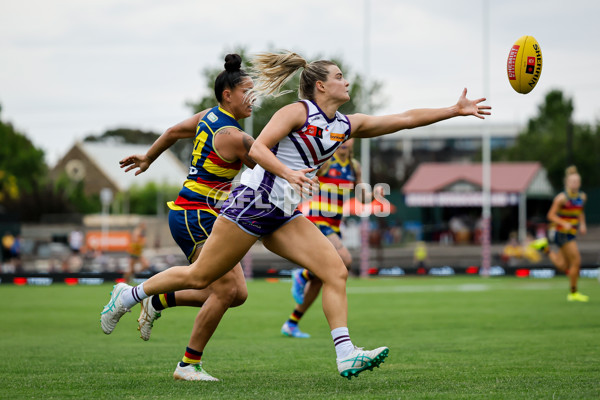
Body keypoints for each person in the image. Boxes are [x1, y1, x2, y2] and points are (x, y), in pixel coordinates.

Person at [101, 50, 490, 379]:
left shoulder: (343, 125)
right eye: (340, 76)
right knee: (202, 277)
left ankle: (345, 353)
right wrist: (287, 172)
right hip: (251, 206)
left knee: (335, 269)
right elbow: (258, 149)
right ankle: (129, 294)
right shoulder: (296, 112)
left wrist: (454, 111)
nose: (346, 81)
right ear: (321, 85)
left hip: (282, 214)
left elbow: (403, 119)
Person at [115, 54, 256, 381]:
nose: (253, 98)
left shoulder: (210, 116)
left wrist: (149, 157)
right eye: (247, 91)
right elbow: (264, 166)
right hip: (197, 214)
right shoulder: (232, 135)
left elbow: (174, 131)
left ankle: (157, 301)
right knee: (222, 290)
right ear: (228, 95)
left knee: (237, 294)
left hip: (198, 213)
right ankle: (185, 360)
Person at [281, 138, 376, 338]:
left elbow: (362, 197)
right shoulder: (327, 161)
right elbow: (308, 175)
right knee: (345, 260)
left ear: (353, 143)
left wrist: (374, 195)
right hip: (318, 220)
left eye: (348, 140)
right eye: (341, 139)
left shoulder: (353, 166)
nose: (344, 143)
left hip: (334, 224)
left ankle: (292, 322)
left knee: (322, 278)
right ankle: (302, 275)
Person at [531, 166, 588, 301]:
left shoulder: (582, 196)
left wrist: (583, 224)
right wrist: (563, 223)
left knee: (562, 266)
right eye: (572, 181)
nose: (575, 184)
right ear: (567, 183)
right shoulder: (561, 198)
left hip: (571, 232)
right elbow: (550, 215)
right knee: (576, 261)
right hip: (561, 233)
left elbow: (580, 211)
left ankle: (545, 248)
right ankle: (573, 293)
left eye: (577, 181)